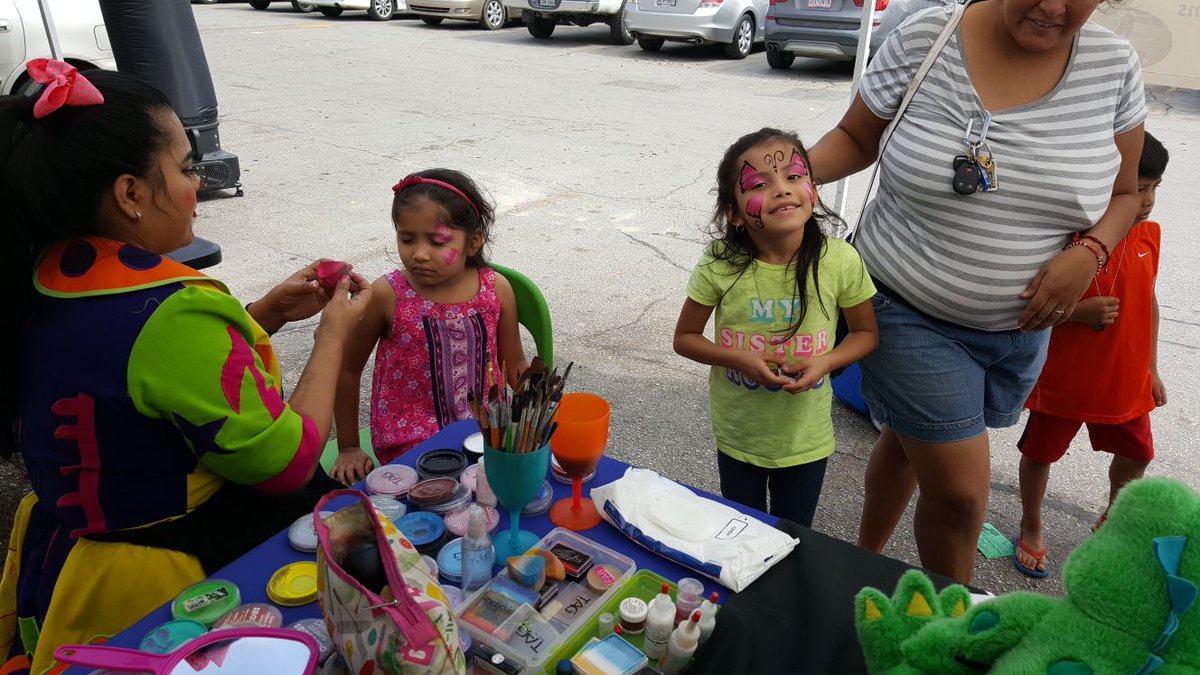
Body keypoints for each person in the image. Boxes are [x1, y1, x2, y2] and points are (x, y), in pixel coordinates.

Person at [0, 62, 372, 670]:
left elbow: (133, 381)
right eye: (185, 167)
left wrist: (262, 315)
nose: (197, 185)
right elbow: (287, 461)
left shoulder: (42, 271)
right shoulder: (177, 313)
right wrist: (334, 333)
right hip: (168, 572)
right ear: (130, 194)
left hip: (71, 550)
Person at [806, 0, 1147, 582]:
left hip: (1020, 334)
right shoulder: (927, 37)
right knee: (961, 496)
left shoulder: (1113, 66)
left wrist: (1090, 253)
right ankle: (952, 631)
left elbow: (1126, 195)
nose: (1052, 6)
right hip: (900, 308)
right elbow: (855, 137)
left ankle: (863, 560)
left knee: (910, 442)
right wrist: (774, 178)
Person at [673, 128, 879, 527]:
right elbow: (685, 338)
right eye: (760, 184)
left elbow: (866, 334)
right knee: (742, 530)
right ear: (734, 213)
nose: (782, 190)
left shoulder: (839, 260)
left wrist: (826, 362)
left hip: (806, 440)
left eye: (794, 176)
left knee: (793, 536)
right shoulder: (720, 264)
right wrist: (739, 358)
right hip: (739, 436)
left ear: (813, 190)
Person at [1013, 131, 1169, 578]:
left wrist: (1152, 368)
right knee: (1041, 453)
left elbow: (1150, 301)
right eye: (1140, 188)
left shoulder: (1149, 236)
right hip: (1064, 379)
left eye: (1155, 187)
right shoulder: (1069, 240)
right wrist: (1078, 313)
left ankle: (1114, 516)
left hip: (1125, 378)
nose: (1148, 200)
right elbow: (1026, 309)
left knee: (1138, 454)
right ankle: (1031, 523)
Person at [331, 169, 528, 484]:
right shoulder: (387, 295)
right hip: (410, 445)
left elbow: (515, 366)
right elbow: (346, 369)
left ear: (474, 242)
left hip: (488, 435)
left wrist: (539, 414)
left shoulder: (496, 289)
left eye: (437, 241)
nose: (418, 254)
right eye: (406, 238)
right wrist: (350, 446)